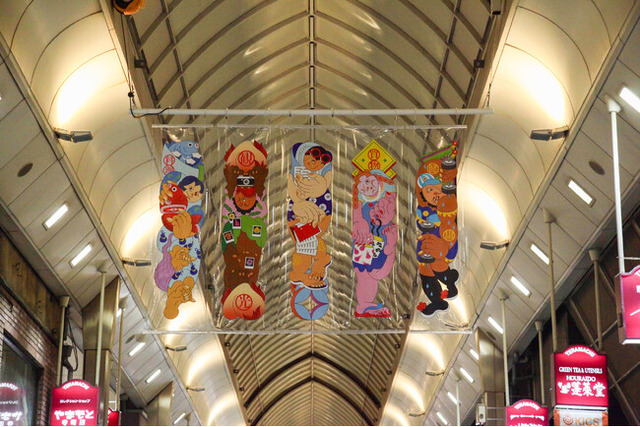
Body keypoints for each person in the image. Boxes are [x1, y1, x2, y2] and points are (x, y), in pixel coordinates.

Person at [352, 169, 398, 317]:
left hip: (377, 242)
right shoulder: (363, 211)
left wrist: (390, 246)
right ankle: (364, 304)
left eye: (371, 182)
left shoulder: (387, 227)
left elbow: (380, 273)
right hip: (365, 242)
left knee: (372, 274)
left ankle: (365, 304)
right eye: (364, 183)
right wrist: (359, 223)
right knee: (365, 274)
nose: (368, 186)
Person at [416, 163, 459, 318]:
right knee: (425, 270)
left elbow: (450, 211)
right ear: (422, 194)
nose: (435, 193)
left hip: (445, 242)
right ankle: (436, 300)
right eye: (429, 190)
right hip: (427, 245)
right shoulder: (423, 209)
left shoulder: (447, 203)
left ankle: (450, 283)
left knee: (436, 263)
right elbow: (420, 222)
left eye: (438, 189)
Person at [287, 143, 333, 289]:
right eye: (311, 159)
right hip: (299, 215)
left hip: (320, 213)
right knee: (303, 242)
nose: (315, 163)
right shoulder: (297, 177)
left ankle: (304, 271)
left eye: (319, 161)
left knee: (305, 243)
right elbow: (293, 189)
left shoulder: (321, 179)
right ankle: (317, 262)